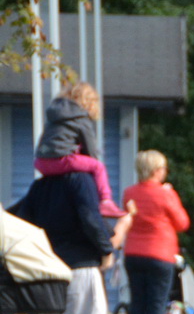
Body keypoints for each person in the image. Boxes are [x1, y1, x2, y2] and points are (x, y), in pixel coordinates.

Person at [8, 143, 118, 314]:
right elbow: (90, 218)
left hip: (48, 274)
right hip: (80, 269)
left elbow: (19, 220)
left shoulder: (40, 187)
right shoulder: (80, 181)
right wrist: (106, 249)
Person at [121, 149, 190, 314]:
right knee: (157, 303)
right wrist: (170, 194)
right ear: (157, 170)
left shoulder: (129, 193)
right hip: (160, 253)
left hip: (133, 253)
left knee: (138, 301)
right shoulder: (165, 194)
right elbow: (182, 223)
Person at [33, 80, 125, 218]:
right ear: (89, 102)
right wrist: (92, 160)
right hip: (61, 161)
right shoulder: (80, 117)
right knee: (98, 167)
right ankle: (106, 202)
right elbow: (90, 148)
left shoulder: (53, 116)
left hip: (41, 163)